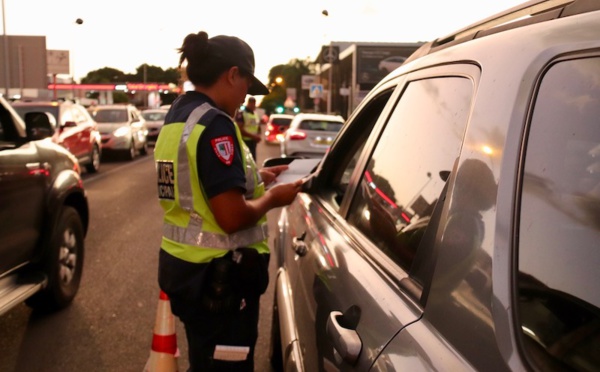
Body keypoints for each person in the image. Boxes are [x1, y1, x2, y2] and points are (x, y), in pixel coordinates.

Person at [153, 30, 302, 372]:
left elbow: (195, 186)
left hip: (186, 270)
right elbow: (232, 218)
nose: (245, 98)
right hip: (218, 282)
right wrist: (273, 200)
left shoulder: (179, 117)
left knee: (205, 361)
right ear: (232, 74)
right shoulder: (216, 125)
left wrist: (258, 180)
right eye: (246, 87)